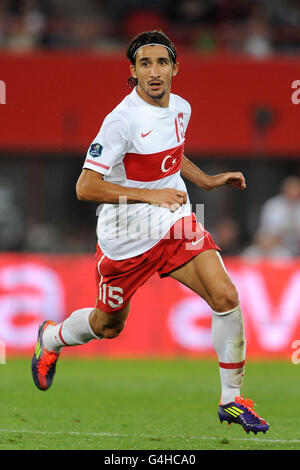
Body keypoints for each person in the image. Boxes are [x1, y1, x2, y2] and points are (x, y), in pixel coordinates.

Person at [31, 30, 269, 435]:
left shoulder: (181, 108)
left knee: (226, 296)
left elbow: (171, 156)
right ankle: (52, 338)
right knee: (108, 326)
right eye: (145, 64)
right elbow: (85, 187)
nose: (154, 71)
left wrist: (206, 181)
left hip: (173, 222)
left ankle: (231, 400)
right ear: (133, 72)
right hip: (124, 237)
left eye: (161, 62)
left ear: (175, 67)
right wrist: (148, 197)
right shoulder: (120, 121)